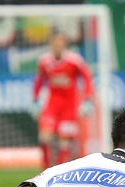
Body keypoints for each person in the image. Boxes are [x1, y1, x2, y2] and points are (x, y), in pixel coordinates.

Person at [33, 31, 94, 169]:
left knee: (64, 142)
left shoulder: (75, 60)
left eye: (60, 42)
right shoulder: (44, 61)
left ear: (65, 44)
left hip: (69, 106)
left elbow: (87, 77)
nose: (57, 44)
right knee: (44, 137)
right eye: (55, 41)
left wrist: (87, 99)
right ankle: (45, 170)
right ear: (51, 43)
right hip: (52, 105)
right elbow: (38, 80)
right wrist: (35, 100)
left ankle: (59, 171)